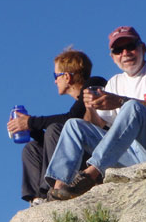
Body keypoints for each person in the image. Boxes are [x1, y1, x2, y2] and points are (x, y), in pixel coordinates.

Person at [45, 26, 146, 200]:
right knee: (73, 125)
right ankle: (58, 189)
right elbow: (101, 126)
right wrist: (91, 106)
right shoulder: (115, 82)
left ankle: (89, 176)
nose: (125, 53)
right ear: (113, 57)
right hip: (133, 155)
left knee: (132, 107)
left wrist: (121, 101)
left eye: (130, 46)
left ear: (142, 48)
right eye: (118, 50)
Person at [7, 48, 107, 205]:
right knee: (32, 148)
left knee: (55, 129)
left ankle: (52, 190)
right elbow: (53, 138)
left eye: (56, 76)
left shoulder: (94, 85)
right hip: (79, 155)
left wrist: (30, 122)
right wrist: (30, 129)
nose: (55, 81)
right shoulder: (79, 101)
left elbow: (71, 118)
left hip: (98, 159)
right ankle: (37, 199)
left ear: (67, 77)